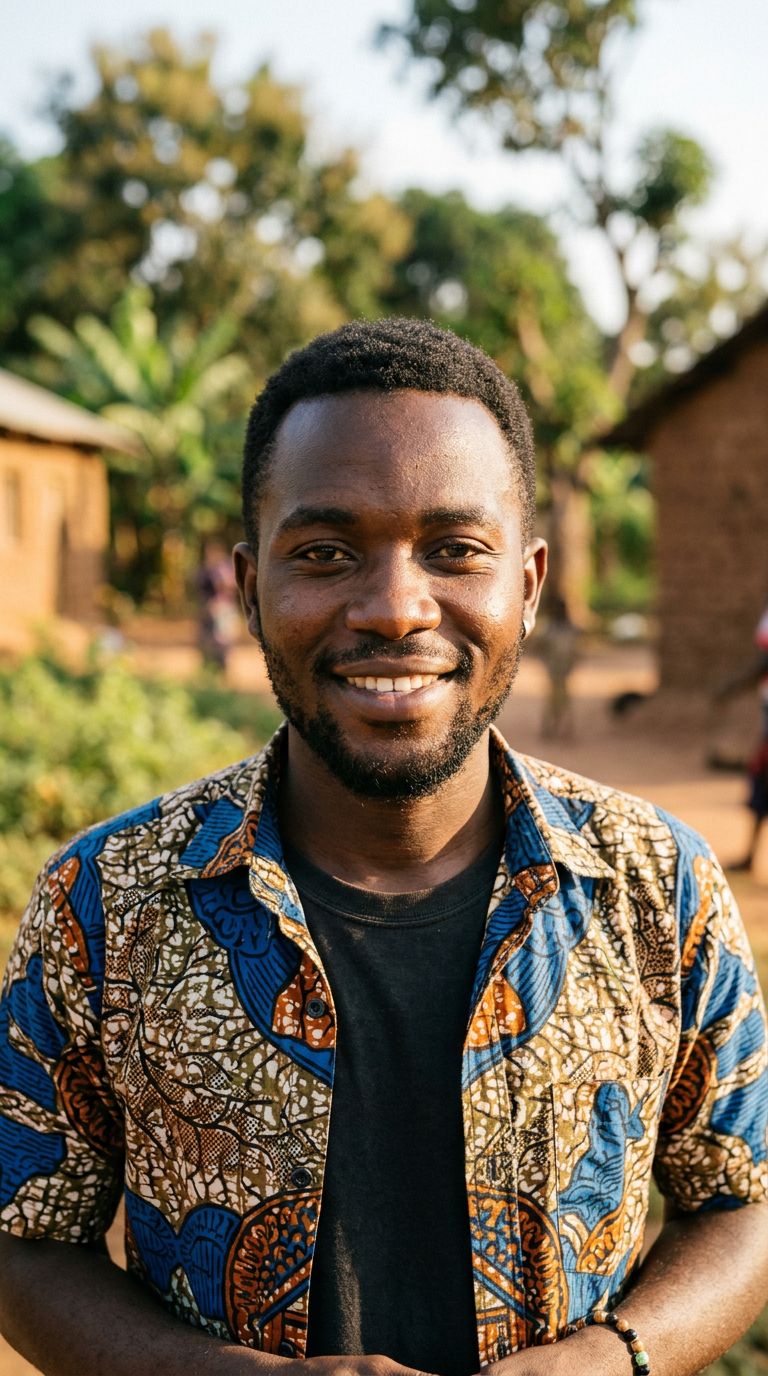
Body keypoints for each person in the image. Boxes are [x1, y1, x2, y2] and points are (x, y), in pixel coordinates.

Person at [0, 319, 767, 1376]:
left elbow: (744, 1201)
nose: (396, 607)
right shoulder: (105, 899)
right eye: (324, 552)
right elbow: (24, 1235)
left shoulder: (659, 887)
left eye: (456, 550)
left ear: (530, 585)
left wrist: (607, 1357)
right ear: (251, 584)